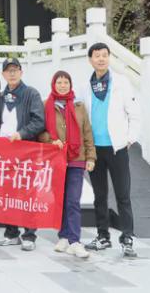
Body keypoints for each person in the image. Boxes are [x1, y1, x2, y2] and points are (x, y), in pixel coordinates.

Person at [80, 42, 139, 257]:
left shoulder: (121, 82)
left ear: (108, 57)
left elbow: (134, 113)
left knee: (123, 195)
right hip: (95, 150)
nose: (101, 59)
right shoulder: (87, 86)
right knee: (100, 195)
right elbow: (83, 116)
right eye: (97, 56)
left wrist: (129, 139)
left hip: (117, 149)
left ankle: (127, 238)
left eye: (104, 55)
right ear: (90, 60)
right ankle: (103, 236)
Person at [40, 70, 95, 259]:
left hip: (76, 158)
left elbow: (87, 132)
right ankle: (63, 236)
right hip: (56, 159)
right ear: (53, 85)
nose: (63, 86)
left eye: (66, 82)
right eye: (59, 82)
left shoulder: (79, 106)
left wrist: (91, 157)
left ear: (70, 85)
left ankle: (74, 241)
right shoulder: (46, 105)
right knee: (60, 200)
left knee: (73, 200)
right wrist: (51, 140)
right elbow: (40, 131)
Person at [0, 57, 45, 251]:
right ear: (3, 74)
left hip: (26, 151)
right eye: (8, 70)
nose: (12, 73)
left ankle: (29, 235)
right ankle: (11, 233)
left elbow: (38, 121)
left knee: (27, 193)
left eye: (15, 69)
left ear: (21, 72)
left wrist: (21, 134)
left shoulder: (31, 93)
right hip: (5, 152)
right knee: (8, 192)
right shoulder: (1, 97)